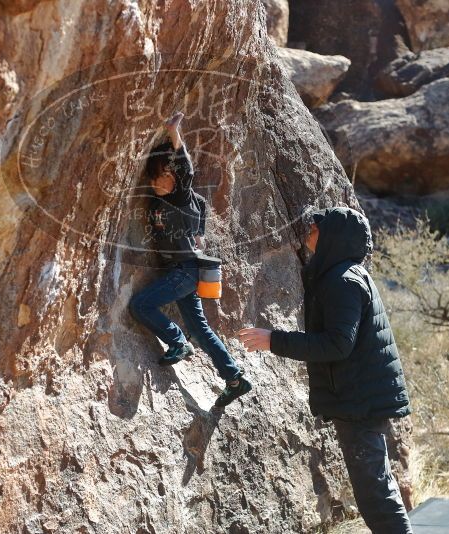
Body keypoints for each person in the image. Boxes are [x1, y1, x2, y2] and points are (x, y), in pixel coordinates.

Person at [237, 206, 413, 534]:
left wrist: (273, 340)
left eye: (316, 228)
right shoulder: (345, 275)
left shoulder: (342, 281)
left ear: (333, 236)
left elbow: (336, 345)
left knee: (375, 492)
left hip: (359, 402)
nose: (309, 233)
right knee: (377, 487)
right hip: (361, 398)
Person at [128, 111, 252, 408]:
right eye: (153, 177)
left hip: (184, 271)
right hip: (184, 272)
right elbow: (198, 235)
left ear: (171, 178)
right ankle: (234, 378)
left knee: (141, 305)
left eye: (158, 177)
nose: (154, 183)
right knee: (201, 329)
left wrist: (174, 133)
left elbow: (186, 171)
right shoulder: (169, 201)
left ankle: (177, 342)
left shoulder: (181, 197)